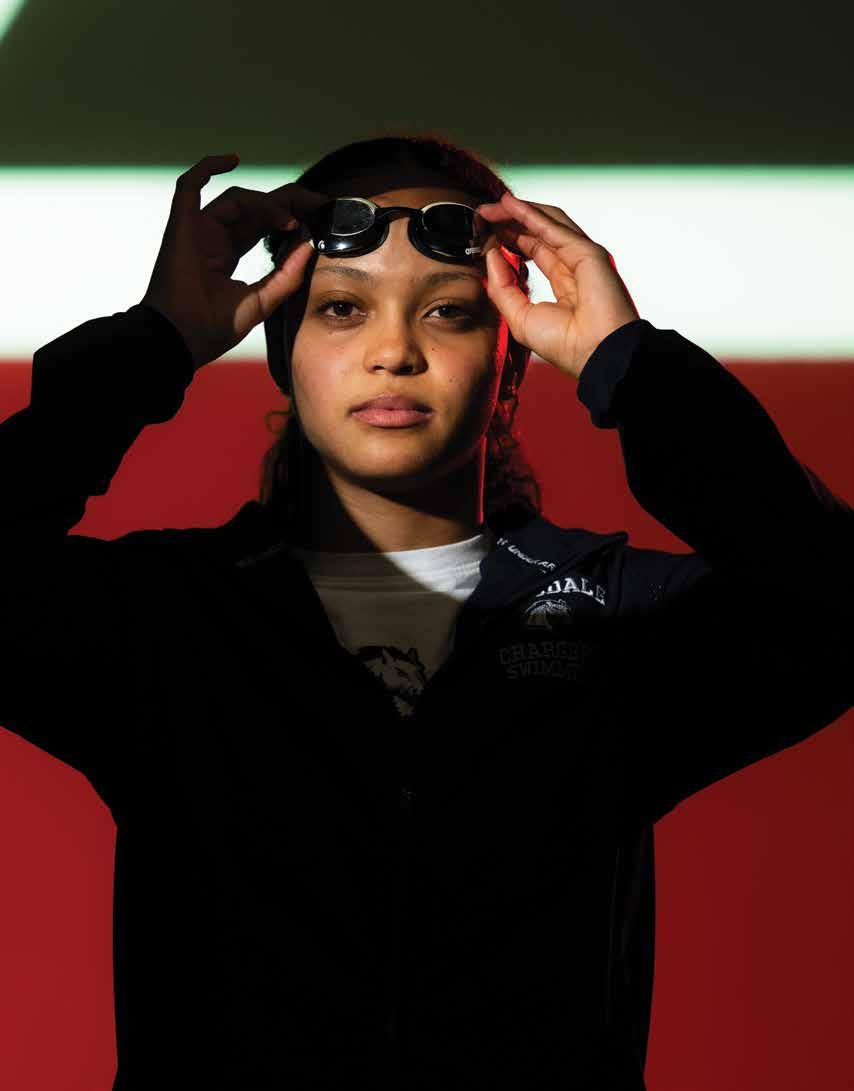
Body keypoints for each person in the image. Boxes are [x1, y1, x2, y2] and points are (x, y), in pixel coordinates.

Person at [1, 132, 851, 1091]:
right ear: (281, 349)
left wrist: (631, 363)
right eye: (342, 309)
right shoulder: (168, 621)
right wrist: (151, 344)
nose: (394, 352)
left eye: (447, 312)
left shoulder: (619, 622)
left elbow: (835, 598)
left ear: (512, 353)